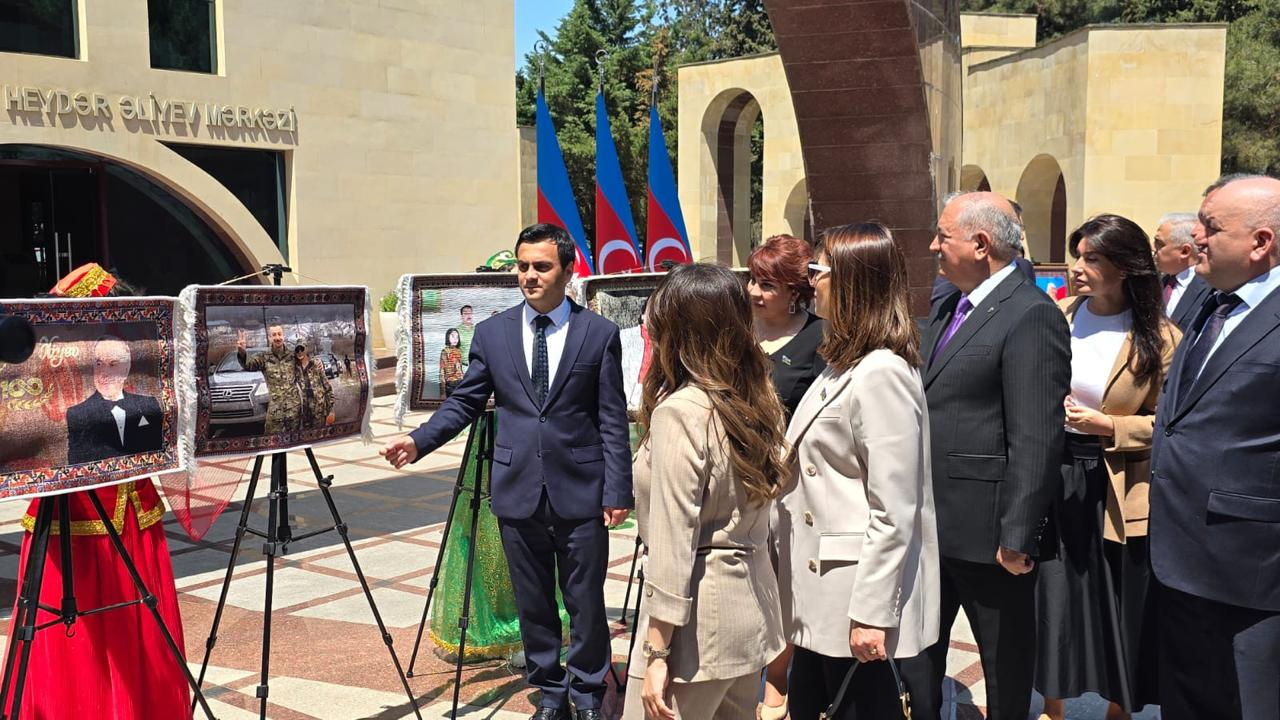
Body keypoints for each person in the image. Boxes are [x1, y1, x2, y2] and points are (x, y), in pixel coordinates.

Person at [381, 223, 631, 720]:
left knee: (584, 600)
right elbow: (467, 401)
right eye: (523, 266)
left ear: (567, 269)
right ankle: (551, 693)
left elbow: (611, 418)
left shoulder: (597, 334)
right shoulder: (492, 334)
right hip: (517, 491)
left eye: (542, 266)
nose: (530, 276)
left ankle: (586, 692)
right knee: (533, 602)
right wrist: (419, 440)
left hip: (580, 491)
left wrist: (617, 488)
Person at [899, 192, 1071, 720]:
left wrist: (1018, 534)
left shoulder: (1031, 315)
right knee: (919, 656)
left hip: (990, 536)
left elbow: (1036, 436)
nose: (933, 246)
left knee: (1004, 666)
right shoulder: (949, 302)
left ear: (980, 244)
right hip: (930, 524)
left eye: (942, 236)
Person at [762, 222, 939, 720]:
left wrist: (872, 613)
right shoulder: (844, 363)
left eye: (820, 270)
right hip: (821, 594)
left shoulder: (882, 371)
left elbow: (894, 508)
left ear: (854, 282)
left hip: (854, 601)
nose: (812, 280)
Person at [8, 266, 190, 719]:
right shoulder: (49, 386)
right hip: (67, 514)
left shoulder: (146, 384)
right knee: (77, 636)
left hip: (132, 513)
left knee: (137, 632)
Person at [622, 262, 788, 720]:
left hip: (694, 632)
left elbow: (675, 542)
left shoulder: (681, 412)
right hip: (750, 615)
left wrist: (657, 655)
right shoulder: (757, 397)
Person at [1035, 215, 1179, 720]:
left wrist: (1111, 428)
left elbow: (1170, 425)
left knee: (1118, 602)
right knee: (1055, 597)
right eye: (1078, 255)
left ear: (1126, 267)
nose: (1078, 267)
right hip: (1056, 472)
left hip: (1120, 485)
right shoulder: (1059, 315)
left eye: (1092, 258)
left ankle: (1118, 709)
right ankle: (1052, 708)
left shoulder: (1161, 337)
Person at [1149, 173, 1280, 719]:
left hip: (1252, 572)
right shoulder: (1210, 301)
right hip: (1179, 557)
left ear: (1261, 242)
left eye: (1211, 226)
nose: (1196, 237)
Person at [747, 234, 826, 419]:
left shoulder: (820, 336)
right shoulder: (735, 327)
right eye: (752, 280)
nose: (753, 291)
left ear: (794, 294)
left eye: (766, 285)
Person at [65, 336, 164, 462]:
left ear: (126, 369)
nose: (104, 372)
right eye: (99, 363)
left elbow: (159, 448)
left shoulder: (148, 405)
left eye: (113, 364)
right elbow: (77, 461)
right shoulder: (77, 414)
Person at [236, 322, 303, 433]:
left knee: (294, 441)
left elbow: (307, 363)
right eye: (274, 335)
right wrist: (242, 352)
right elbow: (248, 365)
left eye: (279, 334)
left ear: (283, 335)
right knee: (274, 443)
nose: (277, 337)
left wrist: (318, 362)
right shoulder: (264, 357)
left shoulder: (293, 355)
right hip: (275, 410)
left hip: (294, 408)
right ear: (269, 337)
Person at [1153, 212, 1212, 331]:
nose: (1153, 248)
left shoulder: (1211, 290)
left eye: (1159, 243)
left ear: (1185, 251)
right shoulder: (1159, 281)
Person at [294, 344, 335, 429]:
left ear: (306, 349)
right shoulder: (294, 368)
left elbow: (328, 388)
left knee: (321, 435)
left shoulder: (316, 364)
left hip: (319, 409)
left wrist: (330, 410)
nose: (300, 352)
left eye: (302, 349)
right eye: (297, 350)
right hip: (305, 412)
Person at [439, 327, 464, 396]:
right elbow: (442, 370)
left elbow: (460, 368)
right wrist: (442, 390)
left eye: (457, 337)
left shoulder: (458, 351)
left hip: (460, 381)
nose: (455, 339)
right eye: (452, 336)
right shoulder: (445, 351)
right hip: (450, 382)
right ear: (448, 337)